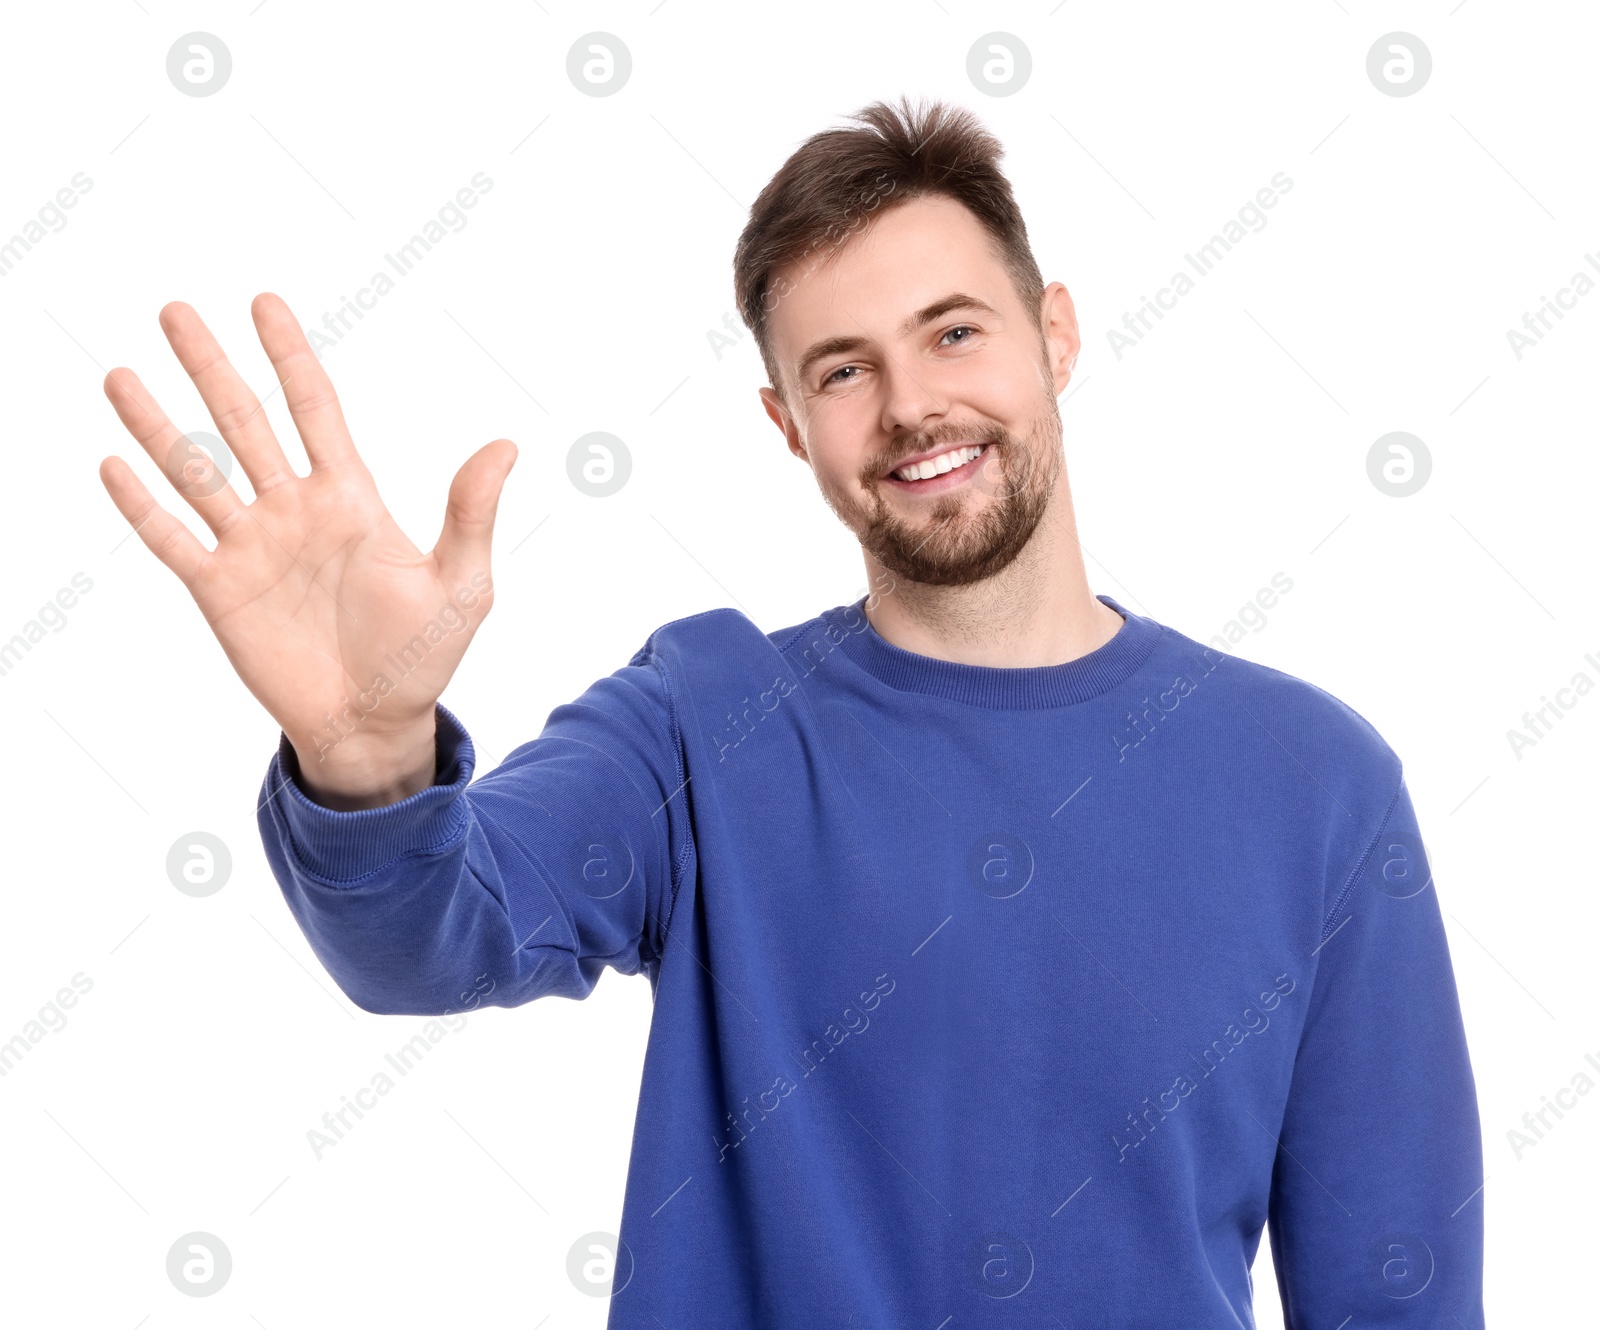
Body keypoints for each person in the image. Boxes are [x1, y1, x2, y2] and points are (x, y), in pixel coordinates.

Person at [97, 96, 1484, 1327]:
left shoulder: (1315, 784)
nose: (912, 404)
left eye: (953, 331)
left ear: (1053, 332)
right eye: (843, 368)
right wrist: (366, 754)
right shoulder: (703, 724)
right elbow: (429, 941)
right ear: (786, 422)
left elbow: (1395, 1293)